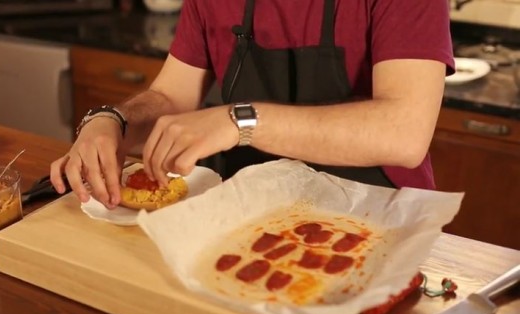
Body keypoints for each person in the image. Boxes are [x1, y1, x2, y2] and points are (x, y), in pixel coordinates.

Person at [50, 0, 454, 209]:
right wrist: (111, 120)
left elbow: (404, 133)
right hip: (255, 223)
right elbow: (171, 97)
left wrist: (239, 121)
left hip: (382, 224)